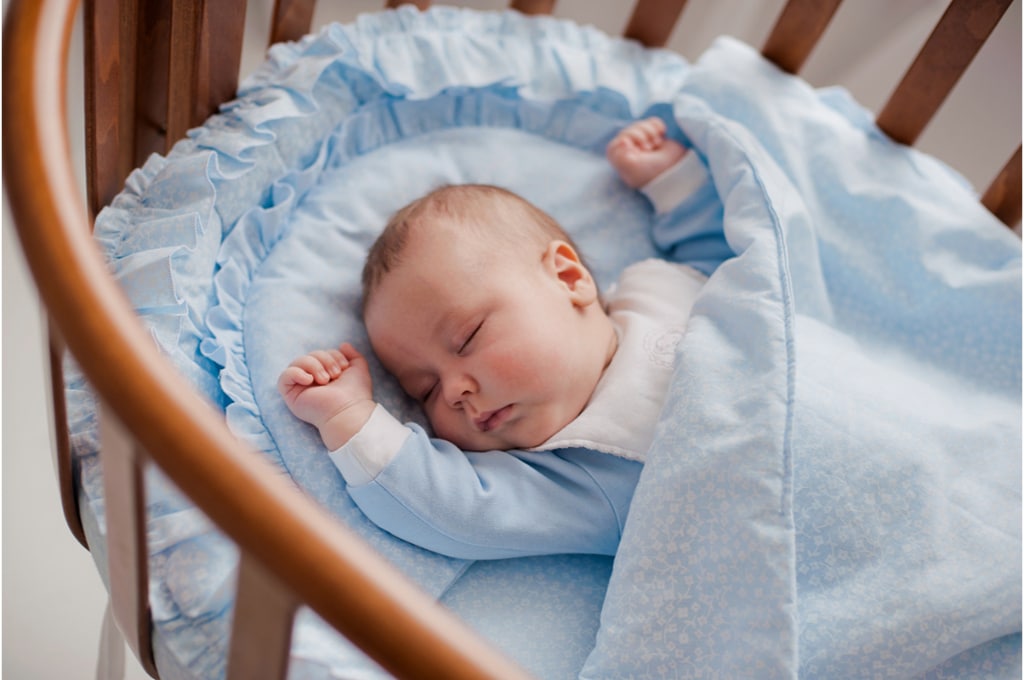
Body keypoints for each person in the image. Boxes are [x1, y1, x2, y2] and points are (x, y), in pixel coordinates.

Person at [278, 117, 715, 559]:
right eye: (424, 391)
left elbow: (748, 271)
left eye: (468, 338)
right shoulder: (582, 474)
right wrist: (349, 418)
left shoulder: (657, 284)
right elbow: (462, 512)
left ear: (567, 278)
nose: (453, 391)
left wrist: (674, 183)